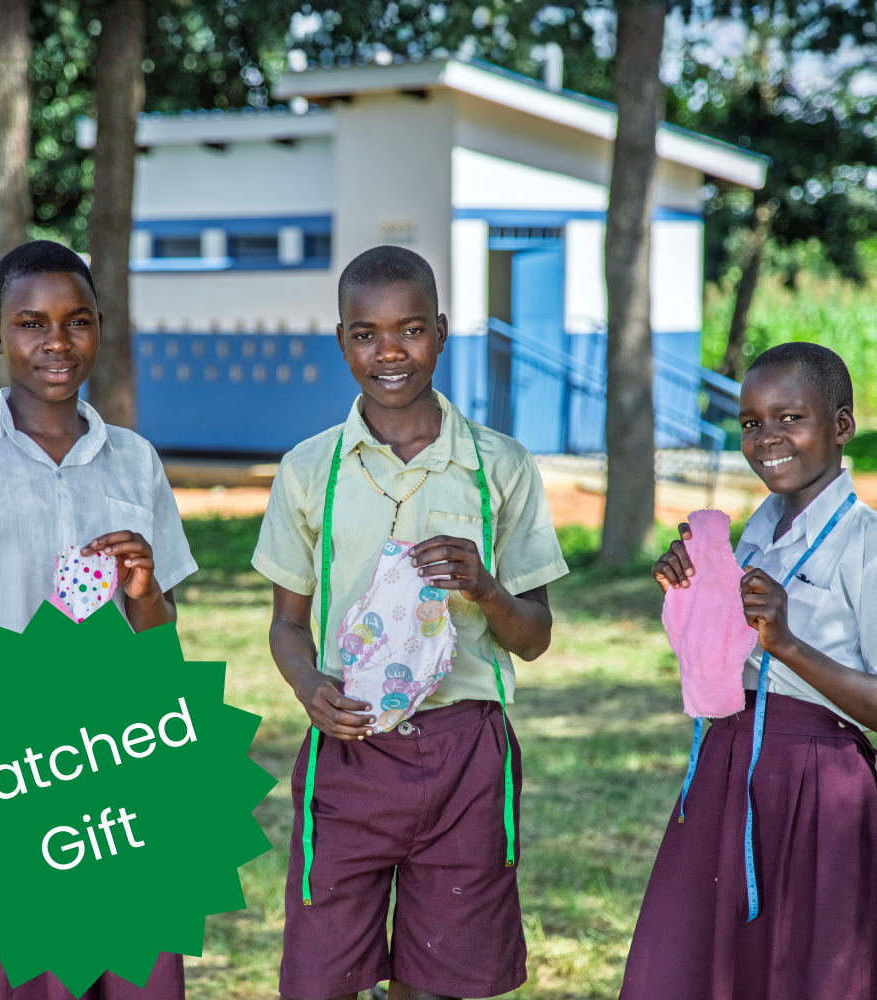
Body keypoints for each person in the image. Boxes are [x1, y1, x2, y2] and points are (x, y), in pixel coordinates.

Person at [0, 240, 197, 999]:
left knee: (119, 965)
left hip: (113, 758)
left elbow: (160, 633)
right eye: (31, 322)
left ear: (99, 328)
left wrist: (146, 589)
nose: (56, 342)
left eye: (76, 320)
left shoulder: (134, 461)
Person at [252, 245, 568, 1000]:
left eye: (411, 330)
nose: (389, 351)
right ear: (342, 340)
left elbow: (534, 635)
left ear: (443, 331)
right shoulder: (310, 470)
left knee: (441, 982)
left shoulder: (500, 465)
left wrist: (486, 589)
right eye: (366, 333)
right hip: (350, 747)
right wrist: (307, 687)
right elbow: (286, 625)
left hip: (466, 751)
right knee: (321, 980)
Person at [621, 342, 877, 999]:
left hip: (817, 786)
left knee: (803, 969)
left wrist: (786, 642)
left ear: (841, 426)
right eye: (752, 423)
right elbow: (721, 662)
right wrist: (690, 595)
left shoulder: (864, 545)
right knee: (697, 965)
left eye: (790, 417)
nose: (768, 439)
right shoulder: (752, 533)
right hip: (728, 768)